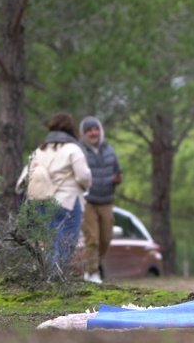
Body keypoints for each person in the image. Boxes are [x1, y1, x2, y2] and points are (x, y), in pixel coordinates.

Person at [17, 113, 92, 275]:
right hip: (68, 202)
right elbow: (83, 176)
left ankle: (48, 277)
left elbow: (25, 177)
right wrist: (87, 186)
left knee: (50, 243)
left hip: (42, 202)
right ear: (71, 128)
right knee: (65, 242)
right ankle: (58, 278)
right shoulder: (73, 149)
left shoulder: (40, 150)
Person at [79, 116, 123, 283]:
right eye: (89, 130)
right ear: (84, 133)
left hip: (106, 200)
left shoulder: (109, 150)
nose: (93, 132)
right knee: (93, 238)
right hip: (87, 200)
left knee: (106, 238)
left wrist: (118, 178)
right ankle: (91, 272)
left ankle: (93, 268)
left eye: (96, 129)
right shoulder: (79, 150)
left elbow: (117, 170)